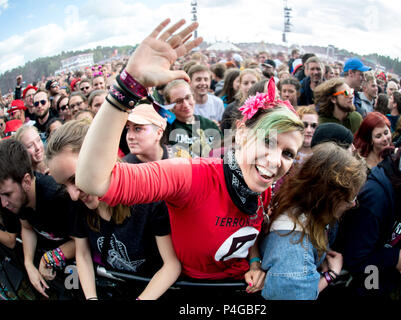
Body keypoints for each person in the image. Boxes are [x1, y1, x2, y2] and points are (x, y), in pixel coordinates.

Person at [75, 18, 304, 293]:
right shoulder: (191, 175)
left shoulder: (259, 182)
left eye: (288, 153)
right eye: (267, 141)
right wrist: (128, 87)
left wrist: (254, 262)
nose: (276, 160)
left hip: (241, 289)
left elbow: (248, 229)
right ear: (242, 133)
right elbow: (94, 181)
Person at [45, 120, 180, 300]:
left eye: (75, 179)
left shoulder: (148, 196)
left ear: (100, 157)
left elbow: (171, 265)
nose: (73, 195)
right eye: (64, 186)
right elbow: (83, 253)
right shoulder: (76, 203)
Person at [334, 137, 401, 298]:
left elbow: (400, 233)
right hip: (358, 283)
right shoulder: (375, 200)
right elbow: (354, 259)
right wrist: (395, 258)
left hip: (379, 279)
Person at [261, 142, 367, 300]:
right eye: (351, 198)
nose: (353, 204)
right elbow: (297, 296)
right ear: (329, 198)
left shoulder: (299, 204)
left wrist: (319, 259)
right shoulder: (294, 251)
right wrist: (331, 275)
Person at [0, 139, 75, 298]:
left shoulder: (56, 196)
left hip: (80, 268)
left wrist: (49, 258)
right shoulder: (20, 200)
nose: (3, 203)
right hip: (56, 270)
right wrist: (28, 263)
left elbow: (84, 240)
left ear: (26, 181)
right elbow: (26, 227)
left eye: (7, 194)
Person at [163, 79, 222, 158]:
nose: (186, 105)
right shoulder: (166, 129)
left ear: (193, 97)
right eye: (178, 101)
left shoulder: (210, 125)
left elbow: (222, 156)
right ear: (169, 106)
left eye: (188, 97)